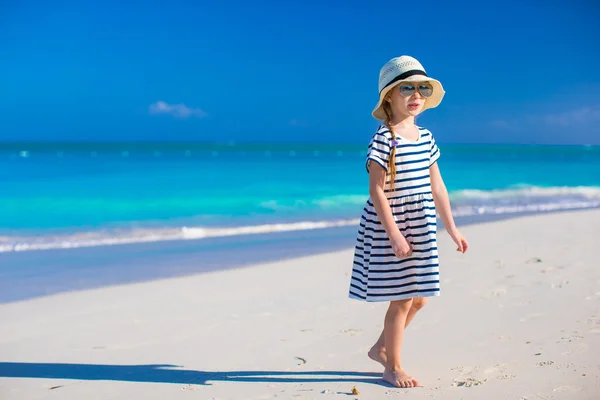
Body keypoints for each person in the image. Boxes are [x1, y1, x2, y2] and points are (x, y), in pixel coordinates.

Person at [348, 55, 469, 388]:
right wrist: (395, 236)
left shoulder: (426, 137)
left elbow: (438, 187)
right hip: (392, 225)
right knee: (402, 297)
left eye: (422, 88)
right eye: (407, 88)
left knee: (420, 297)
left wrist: (452, 228)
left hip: (422, 222)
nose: (416, 94)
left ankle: (381, 348)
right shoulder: (385, 139)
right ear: (390, 96)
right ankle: (393, 367)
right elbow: (376, 190)